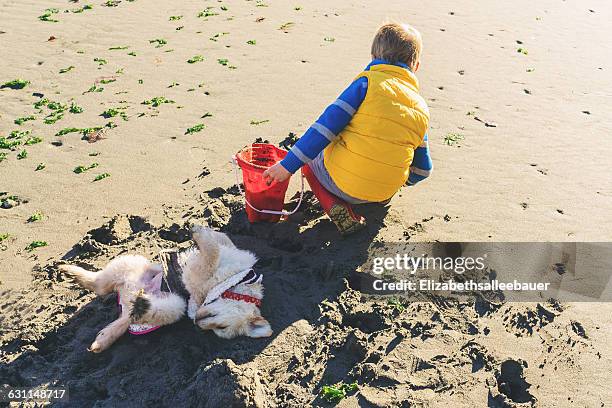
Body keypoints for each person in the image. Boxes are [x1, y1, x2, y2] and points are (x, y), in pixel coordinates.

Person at [263, 22, 432, 235]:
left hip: (342, 184)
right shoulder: (421, 108)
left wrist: (287, 166)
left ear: (373, 56)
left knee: (311, 160)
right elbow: (423, 170)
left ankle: (333, 204)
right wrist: (394, 180)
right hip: (382, 193)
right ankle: (373, 193)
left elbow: (324, 129)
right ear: (415, 66)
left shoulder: (366, 85)